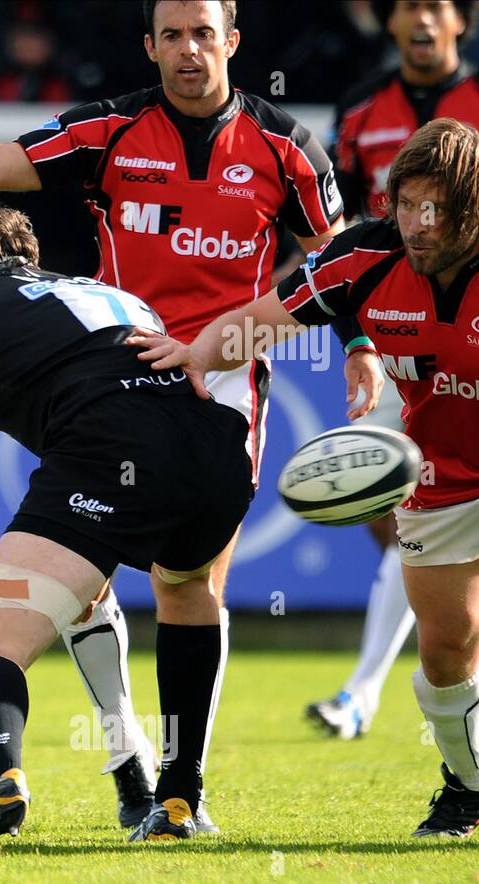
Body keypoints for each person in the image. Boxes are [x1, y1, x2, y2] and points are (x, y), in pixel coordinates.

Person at [0, 0, 347, 832]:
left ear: (231, 41)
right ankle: (160, 785)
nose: (188, 51)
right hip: (183, 400)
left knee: (8, 628)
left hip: (208, 382)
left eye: (203, 34)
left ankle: (21, 772)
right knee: (167, 586)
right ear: (149, 46)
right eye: (172, 36)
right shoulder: (107, 173)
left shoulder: (284, 145)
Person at [133, 117, 478, 838]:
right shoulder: (362, 260)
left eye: (435, 208)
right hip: (440, 474)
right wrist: (196, 354)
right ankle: (468, 784)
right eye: (406, 204)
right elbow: (264, 319)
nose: (417, 223)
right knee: (447, 649)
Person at [311, 0, 479, 738]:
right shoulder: (356, 110)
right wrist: (357, 340)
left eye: (435, 5)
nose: (420, 18)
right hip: (396, 342)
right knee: (410, 504)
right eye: (406, 5)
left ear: (460, 23)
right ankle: (366, 690)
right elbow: (340, 240)